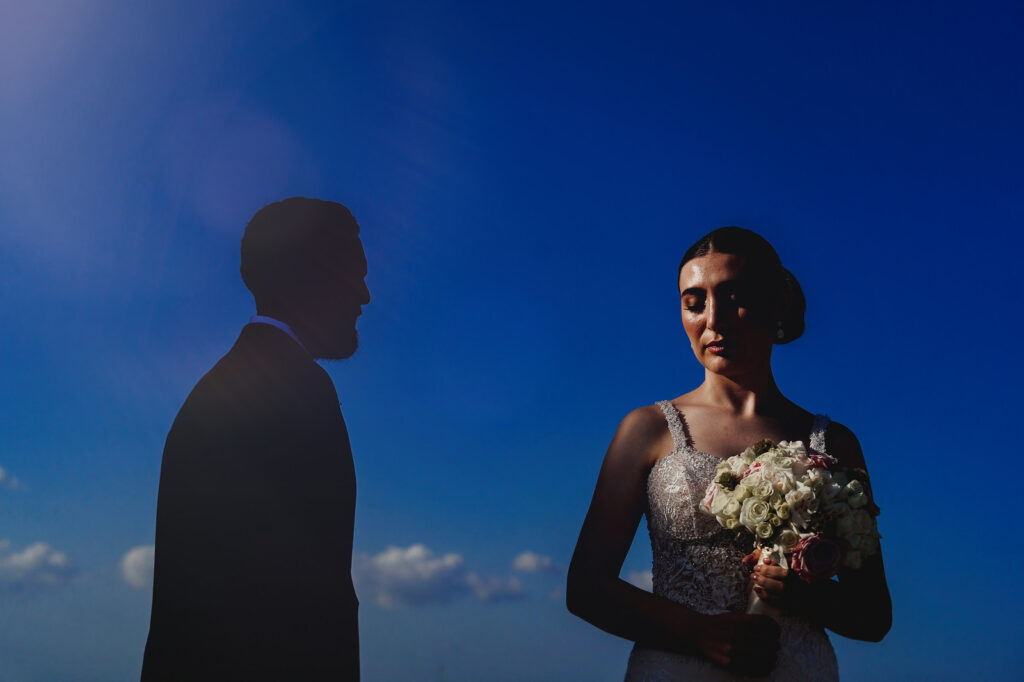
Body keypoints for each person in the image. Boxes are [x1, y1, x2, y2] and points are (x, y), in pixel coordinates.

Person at [566, 227, 891, 680]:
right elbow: (586, 589)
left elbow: (874, 616)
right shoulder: (648, 429)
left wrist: (805, 594)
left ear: (777, 302)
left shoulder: (834, 444)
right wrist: (701, 633)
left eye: (735, 295)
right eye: (694, 302)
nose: (713, 320)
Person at [141, 198, 370, 681]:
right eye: (356, 274)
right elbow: (299, 605)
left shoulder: (224, 389)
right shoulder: (293, 390)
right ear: (310, 277)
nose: (365, 296)